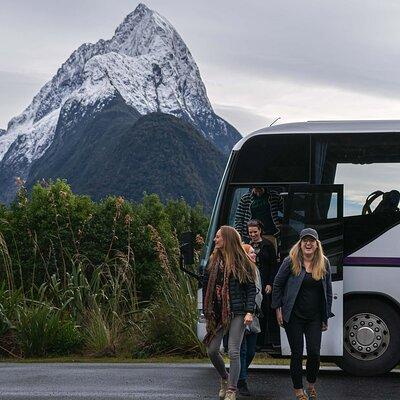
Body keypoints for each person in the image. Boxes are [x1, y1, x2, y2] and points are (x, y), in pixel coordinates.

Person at [271, 228, 334, 400]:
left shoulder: (324, 263)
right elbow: (277, 285)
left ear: (316, 244)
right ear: (300, 243)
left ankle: (311, 384)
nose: (308, 243)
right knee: (297, 353)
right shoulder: (290, 261)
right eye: (305, 240)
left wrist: (325, 316)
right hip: (294, 316)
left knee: (314, 352)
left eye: (311, 241)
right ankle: (298, 390)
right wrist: (278, 309)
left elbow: (328, 290)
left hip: (314, 317)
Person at [203, 226, 257, 400]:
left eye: (218, 237)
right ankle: (225, 378)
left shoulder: (243, 261)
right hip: (219, 313)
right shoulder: (213, 260)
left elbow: (251, 289)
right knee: (212, 350)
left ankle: (232, 390)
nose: (215, 240)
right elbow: (207, 287)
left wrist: (250, 311)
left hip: (238, 311)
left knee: (234, 351)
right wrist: (208, 310)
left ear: (227, 239)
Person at [247, 219, 279, 347]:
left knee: (265, 310)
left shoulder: (268, 245)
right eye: (250, 232)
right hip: (252, 282)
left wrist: (270, 283)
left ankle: (266, 341)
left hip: (265, 282)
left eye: (255, 231)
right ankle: (255, 341)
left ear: (260, 231)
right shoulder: (246, 245)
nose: (253, 235)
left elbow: (273, 266)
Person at [237, 243, 262, 397]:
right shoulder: (242, 270)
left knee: (251, 351)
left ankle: (238, 372)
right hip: (244, 315)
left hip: (255, 316)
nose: (254, 255)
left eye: (254, 252)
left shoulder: (256, 269)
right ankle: (242, 381)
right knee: (243, 350)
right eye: (251, 253)